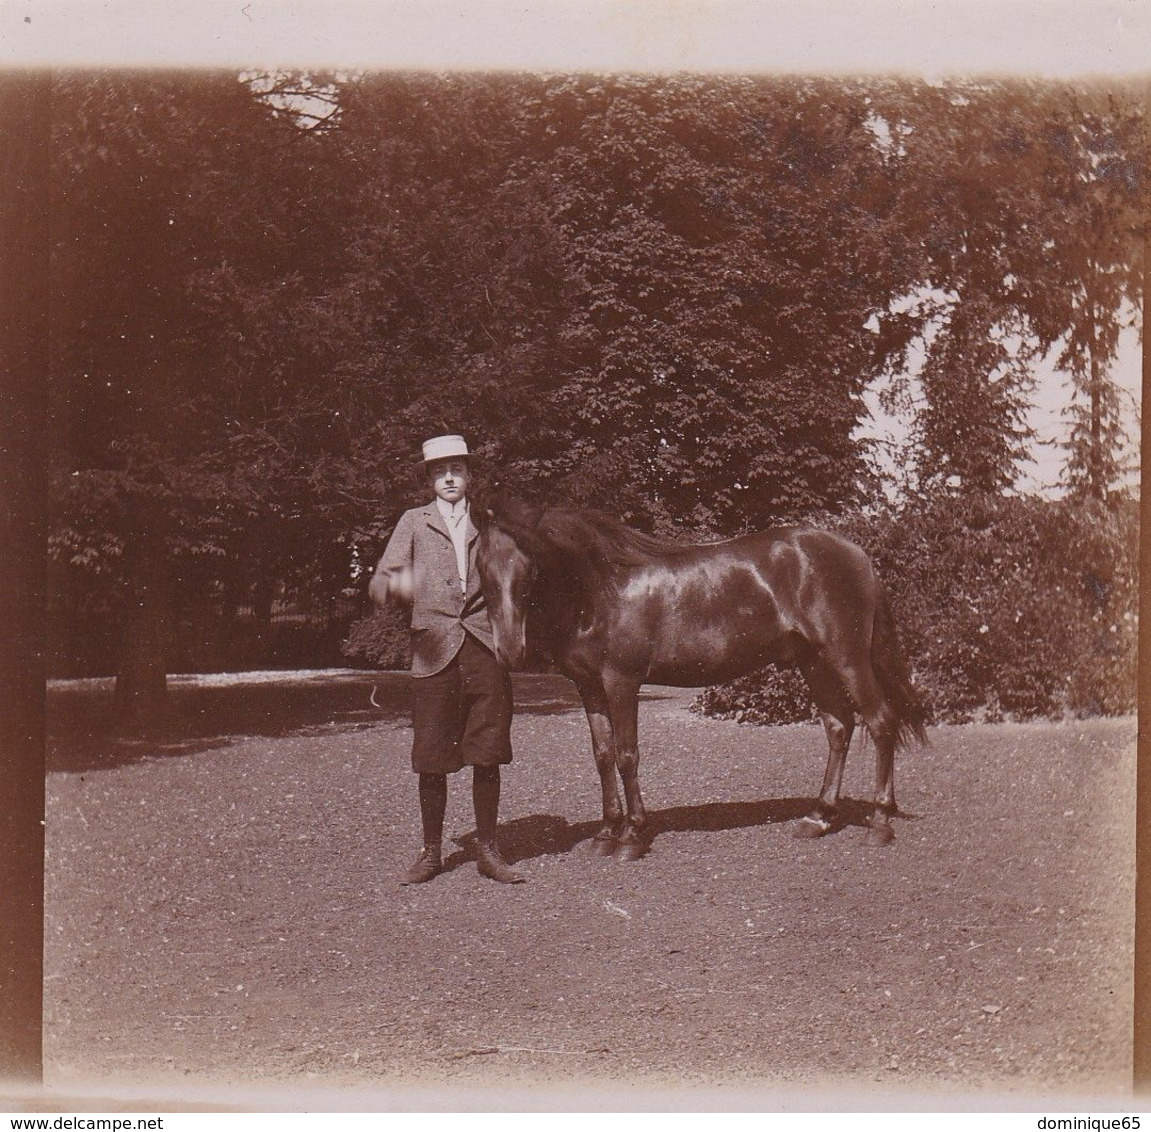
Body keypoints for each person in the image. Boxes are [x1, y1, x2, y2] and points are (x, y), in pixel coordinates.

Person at [369, 434, 524, 886]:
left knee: (488, 749)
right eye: (440, 472)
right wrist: (411, 596)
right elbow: (386, 580)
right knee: (432, 754)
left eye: (456, 469)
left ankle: (489, 850)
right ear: (430, 480)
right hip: (434, 649)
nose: (449, 478)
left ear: (469, 475)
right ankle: (431, 852)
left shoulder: (488, 521)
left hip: (483, 645)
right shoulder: (413, 521)